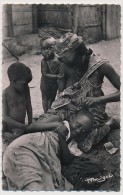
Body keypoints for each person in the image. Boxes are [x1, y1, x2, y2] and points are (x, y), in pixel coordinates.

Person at [51, 32, 120, 152]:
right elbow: (61, 93)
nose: (73, 69)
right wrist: (68, 104)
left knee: (84, 142)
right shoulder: (65, 65)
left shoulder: (100, 65)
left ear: (81, 55)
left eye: (75, 65)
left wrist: (98, 100)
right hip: (71, 105)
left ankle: (110, 123)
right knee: (52, 123)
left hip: (92, 109)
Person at [3, 109, 95, 191]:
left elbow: (66, 160)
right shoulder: (59, 121)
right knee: (31, 182)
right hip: (28, 147)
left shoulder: (73, 146)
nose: (79, 130)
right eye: (78, 125)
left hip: (43, 160)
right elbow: (30, 128)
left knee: (43, 185)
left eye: (83, 131)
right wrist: (55, 125)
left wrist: (61, 136)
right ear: (72, 118)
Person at [2, 62, 33, 146]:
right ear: (14, 81)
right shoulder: (5, 94)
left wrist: (30, 122)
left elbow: (29, 106)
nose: (26, 85)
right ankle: (4, 134)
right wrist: (21, 126)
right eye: (24, 83)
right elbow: (5, 117)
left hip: (21, 125)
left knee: (23, 134)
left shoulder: (25, 89)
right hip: (10, 125)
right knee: (18, 137)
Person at [40, 36, 64, 113]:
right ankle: (45, 112)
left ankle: (50, 112)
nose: (46, 51)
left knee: (52, 97)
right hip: (45, 83)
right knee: (45, 98)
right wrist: (56, 76)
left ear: (54, 48)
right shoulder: (44, 61)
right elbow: (44, 74)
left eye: (49, 48)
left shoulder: (58, 59)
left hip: (54, 83)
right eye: (43, 49)